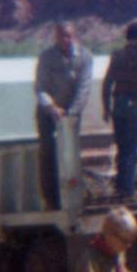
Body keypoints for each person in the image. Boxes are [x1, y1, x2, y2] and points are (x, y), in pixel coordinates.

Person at [34, 21, 93, 210]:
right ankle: (51, 200)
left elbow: (84, 88)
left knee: (71, 154)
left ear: (74, 35)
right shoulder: (46, 57)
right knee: (49, 153)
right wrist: (52, 107)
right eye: (62, 36)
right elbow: (40, 88)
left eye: (69, 36)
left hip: (71, 114)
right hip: (48, 113)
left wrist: (72, 113)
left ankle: (73, 197)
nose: (66, 40)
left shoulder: (84, 57)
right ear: (56, 37)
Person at [103, 21, 137, 199]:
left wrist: (106, 107)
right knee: (131, 147)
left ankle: (120, 186)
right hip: (135, 105)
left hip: (118, 104)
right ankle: (127, 190)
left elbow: (107, 83)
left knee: (121, 146)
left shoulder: (117, 55)